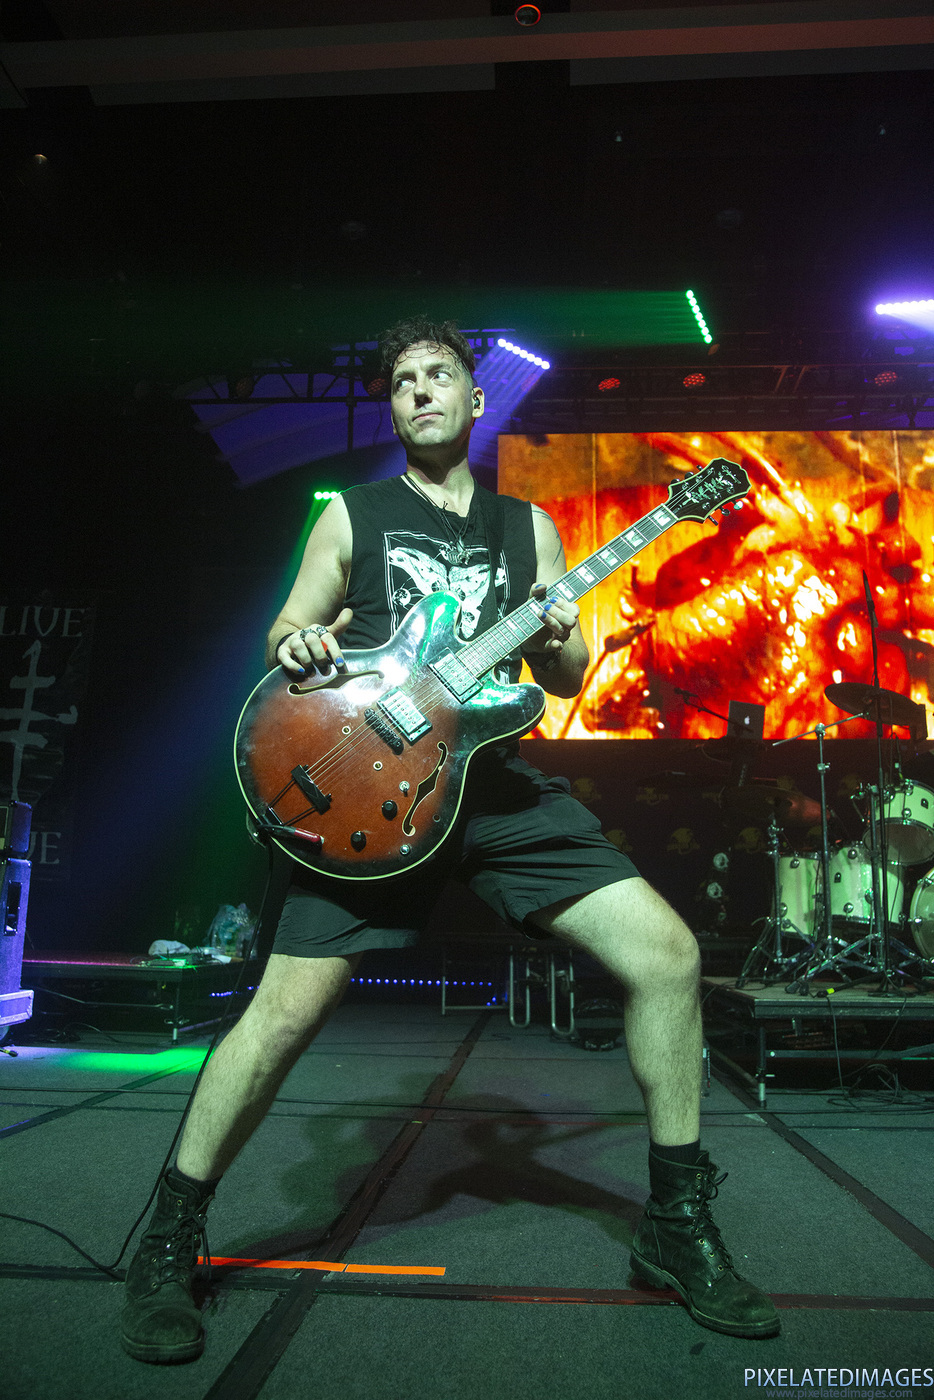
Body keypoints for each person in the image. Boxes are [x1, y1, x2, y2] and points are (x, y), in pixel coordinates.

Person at [121, 317, 779, 1364]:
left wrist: (558, 637)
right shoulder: (352, 515)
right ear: (393, 408)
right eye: (402, 381)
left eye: (439, 376)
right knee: (281, 1014)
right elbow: (286, 632)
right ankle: (168, 1237)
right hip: (373, 789)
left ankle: (674, 1225)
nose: (420, 391)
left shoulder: (532, 528)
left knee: (667, 955)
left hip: (492, 785)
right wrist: (300, 642)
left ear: (477, 401)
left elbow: (564, 678)